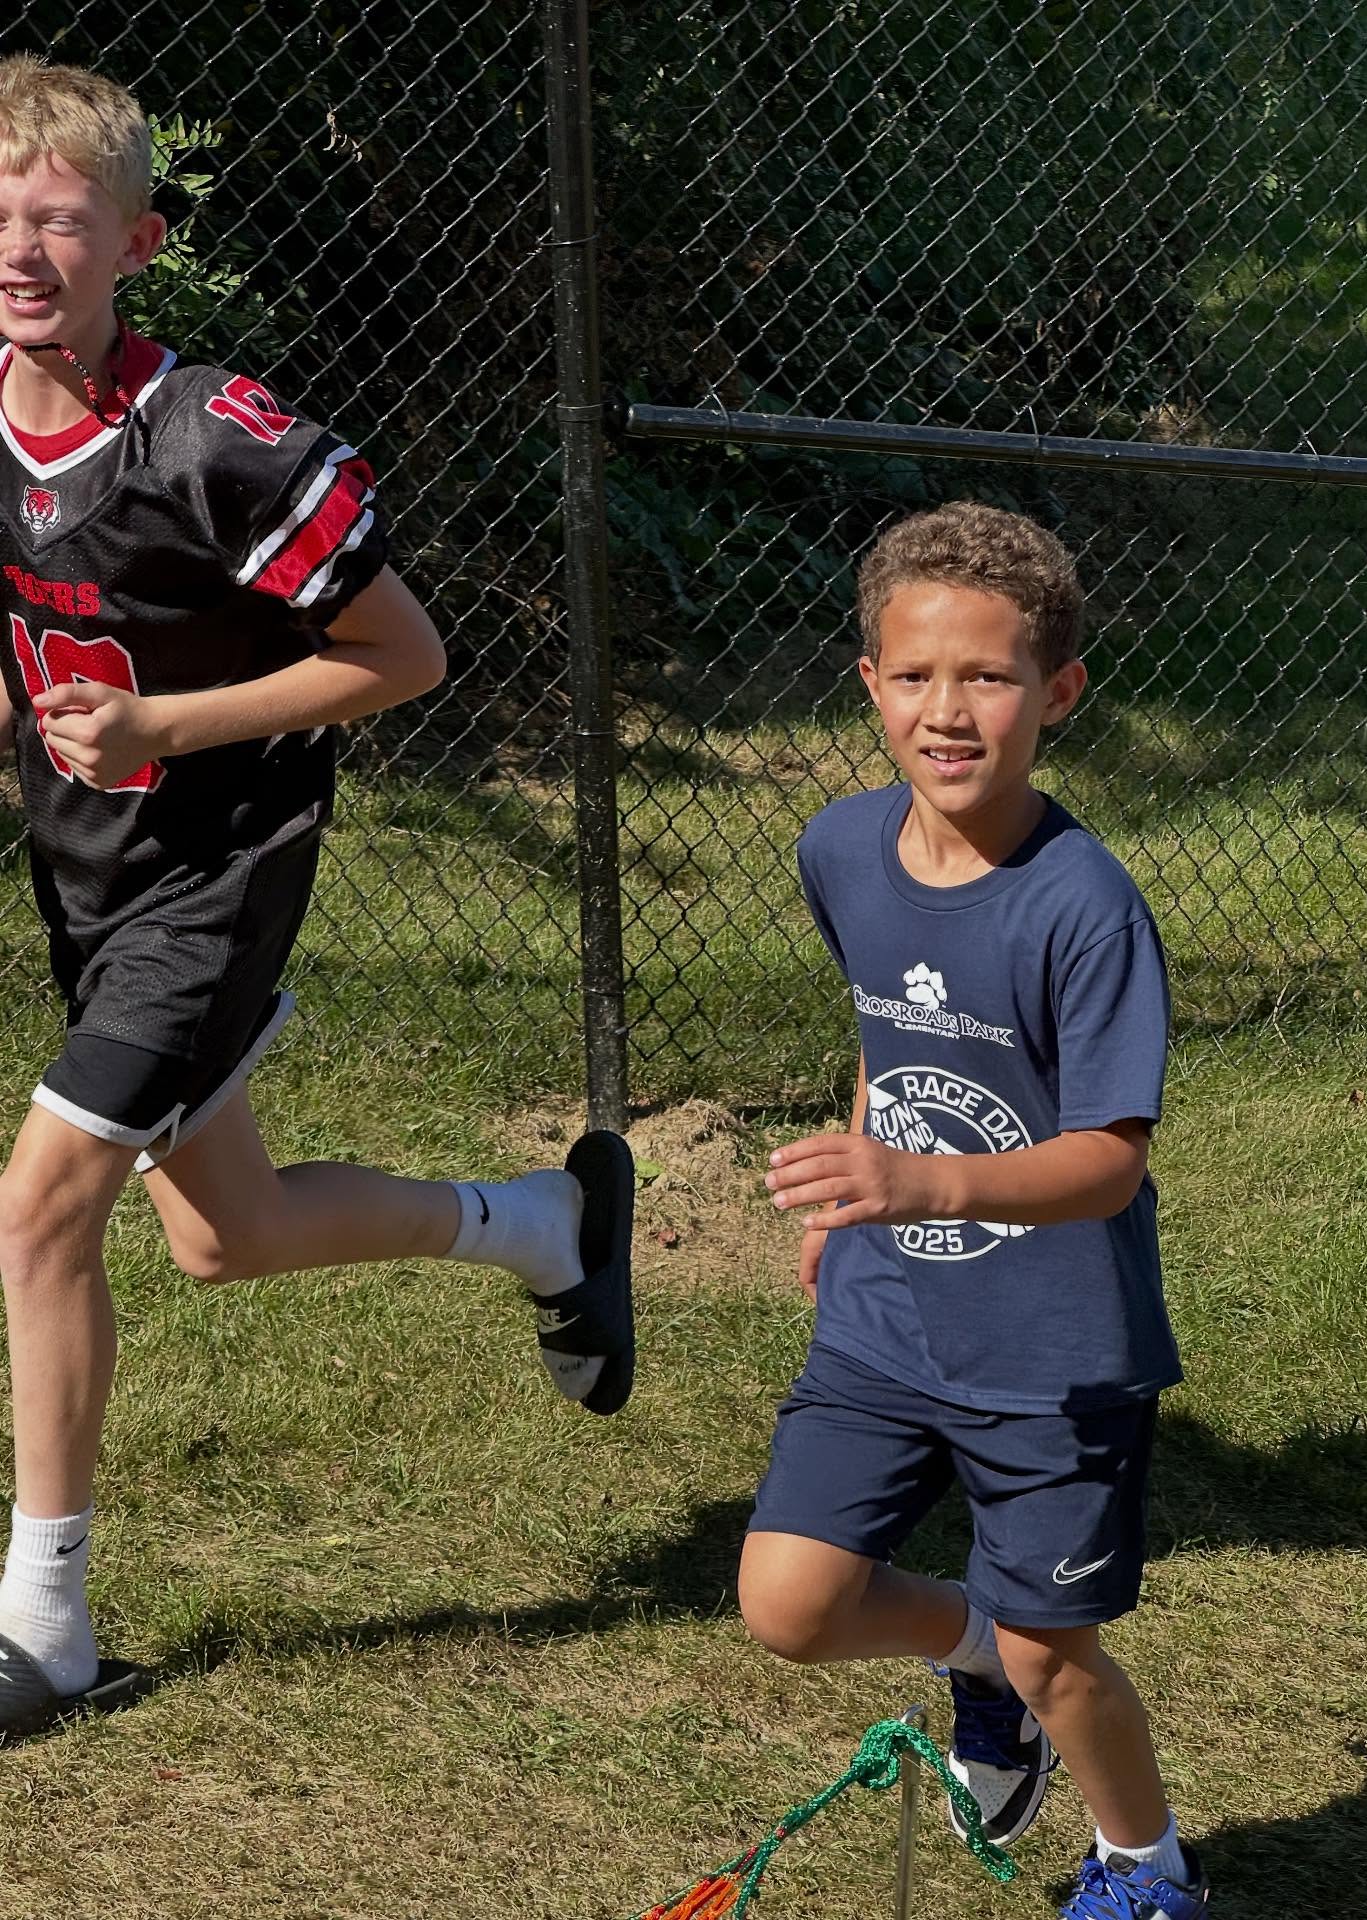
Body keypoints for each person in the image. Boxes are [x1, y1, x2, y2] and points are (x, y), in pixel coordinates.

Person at [0, 54, 634, 1739]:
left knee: (38, 1210)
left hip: (213, 877)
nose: (22, 250)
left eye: (59, 219)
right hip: (88, 878)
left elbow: (404, 656)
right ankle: (544, 1228)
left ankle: (46, 1628)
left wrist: (160, 728)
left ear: (137, 241)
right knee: (230, 1236)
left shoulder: (212, 436)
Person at [738, 501, 1207, 1918]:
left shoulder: (1085, 907)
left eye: (989, 677)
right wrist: (855, 1194)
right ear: (869, 683)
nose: (948, 711)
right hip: (888, 1312)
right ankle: (972, 1658)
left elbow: (1110, 1159)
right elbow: (889, 1033)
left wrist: (919, 1179)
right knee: (791, 1603)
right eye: (916, 675)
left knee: (1062, 1654)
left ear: (1058, 693)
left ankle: (1146, 1870)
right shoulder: (839, 848)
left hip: (1053, 1355)